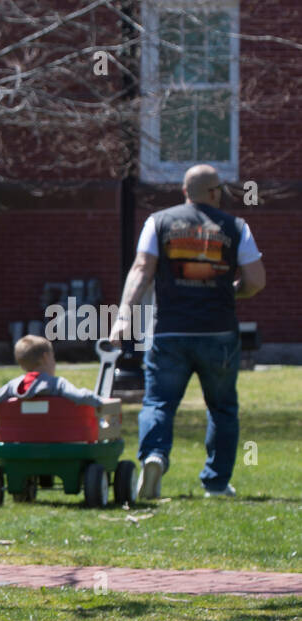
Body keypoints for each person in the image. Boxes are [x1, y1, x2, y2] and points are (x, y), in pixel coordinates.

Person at [111, 163, 266, 500]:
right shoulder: (236, 226)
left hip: (169, 332)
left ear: (184, 191)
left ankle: (154, 456)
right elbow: (256, 281)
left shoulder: (158, 222)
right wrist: (228, 289)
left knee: (159, 403)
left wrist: (124, 316)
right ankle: (216, 483)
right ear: (215, 193)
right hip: (219, 334)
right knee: (222, 408)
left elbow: (141, 270)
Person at [0, 334, 106, 410]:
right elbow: (81, 396)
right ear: (46, 357)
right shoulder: (57, 385)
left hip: (20, 443)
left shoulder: (13, 386)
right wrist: (102, 402)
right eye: (53, 357)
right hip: (54, 441)